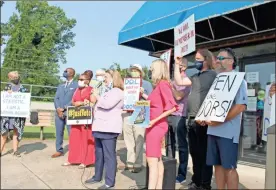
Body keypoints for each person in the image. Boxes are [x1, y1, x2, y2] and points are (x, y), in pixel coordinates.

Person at [203, 48, 248, 189]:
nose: (217, 61)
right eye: (217, 58)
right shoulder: (217, 81)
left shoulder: (239, 80)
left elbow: (241, 106)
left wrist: (220, 120)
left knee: (229, 167)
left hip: (228, 133)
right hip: (213, 130)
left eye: (221, 58)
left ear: (231, 61)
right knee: (217, 165)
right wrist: (204, 116)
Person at [174, 49, 217, 190]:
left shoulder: (213, 75)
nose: (196, 62)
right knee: (195, 153)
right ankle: (196, 181)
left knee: (204, 154)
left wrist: (209, 115)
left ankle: (205, 184)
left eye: (198, 59)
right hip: (191, 120)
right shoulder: (195, 76)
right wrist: (176, 63)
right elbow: (179, 80)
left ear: (206, 60)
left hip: (203, 121)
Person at [85, 71, 124, 189]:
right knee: (99, 153)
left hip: (109, 128)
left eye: (106, 77)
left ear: (114, 78)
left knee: (109, 156)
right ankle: (97, 176)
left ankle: (109, 182)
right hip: (100, 127)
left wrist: (97, 95)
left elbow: (107, 105)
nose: (104, 79)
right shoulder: (107, 91)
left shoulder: (118, 92)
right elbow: (99, 105)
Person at [146, 59, 178, 189]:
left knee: (152, 161)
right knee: (157, 161)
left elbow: (172, 107)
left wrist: (153, 121)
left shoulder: (163, 84)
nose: (150, 72)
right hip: (154, 125)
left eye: (152, 69)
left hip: (156, 126)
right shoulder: (159, 85)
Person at [119, 64, 153, 173]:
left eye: (136, 70)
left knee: (139, 138)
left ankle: (138, 163)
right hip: (127, 112)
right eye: (132, 70)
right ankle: (130, 162)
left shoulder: (147, 84)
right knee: (129, 139)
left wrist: (143, 93)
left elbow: (152, 100)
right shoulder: (126, 83)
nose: (134, 72)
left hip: (141, 110)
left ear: (140, 72)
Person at [62, 73, 97, 168]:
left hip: (86, 117)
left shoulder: (91, 90)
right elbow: (73, 101)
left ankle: (85, 161)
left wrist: (82, 103)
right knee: (74, 138)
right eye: (79, 79)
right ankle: (73, 159)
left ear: (87, 80)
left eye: (82, 79)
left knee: (86, 138)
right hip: (76, 117)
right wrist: (75, 103)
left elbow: (93, 102)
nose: (80, 80)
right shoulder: (77, 89)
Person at [165, 57, 191, 184]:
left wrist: (171, 87)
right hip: (169, 114)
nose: (175, 67)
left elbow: (178, 96)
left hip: (179, 116)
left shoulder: (185, 80)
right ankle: (169, 171)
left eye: (178, 65)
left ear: (184, 67)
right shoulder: (171, 80)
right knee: (169, 145)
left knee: (181, 146)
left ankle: (182, 174)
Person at [0, 71, 28, 157]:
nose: (15, 79)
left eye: (16, 77)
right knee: (4, 133)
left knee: (16, 132)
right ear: (10, 78)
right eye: (13, 77)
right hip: (7, 116)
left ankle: (15, 151)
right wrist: (8, 94)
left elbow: (26, 99)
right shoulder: (7, 87)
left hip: (18, 116)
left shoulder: (23, 88)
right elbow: (3, 99)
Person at [52, 68, 78, 158]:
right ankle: (59, 150)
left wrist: (64, 108)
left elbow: (74, 98)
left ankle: (74, 151)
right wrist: (58, 108)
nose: (64, 72)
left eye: (66, 71)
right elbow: (56, 98)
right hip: (58, 112)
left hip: (70, 112)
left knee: (71, 132)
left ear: (71, 73)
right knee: (59, 132)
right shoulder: (61, 85)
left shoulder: (76, 85)